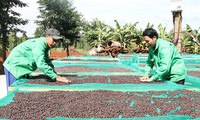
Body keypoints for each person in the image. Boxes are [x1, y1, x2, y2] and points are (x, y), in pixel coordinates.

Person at [3, 28, 71, 90]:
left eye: (57, 41)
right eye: (54, 40)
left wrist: (55, 75)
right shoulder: (39, 44)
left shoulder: (45, 46)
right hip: (13, 68)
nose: (55, 43)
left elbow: (48, 62)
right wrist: (56, 77)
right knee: (13, 91)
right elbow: (40, 64)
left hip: (20, 69)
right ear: (47, 36)